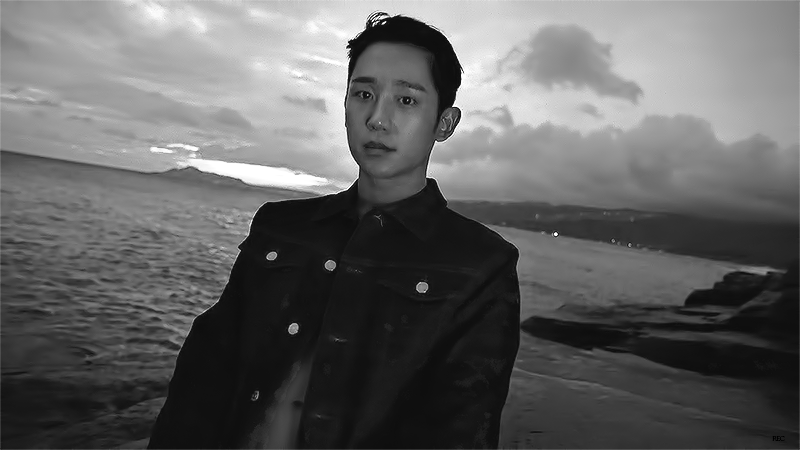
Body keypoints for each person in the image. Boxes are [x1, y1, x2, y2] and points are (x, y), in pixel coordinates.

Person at [147, 11, 521, 449]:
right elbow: (206, 371)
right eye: (363, 94)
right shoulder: (281, 226)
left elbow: (460, 429)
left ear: (445, 123)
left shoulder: (480, 266)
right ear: (344, 105)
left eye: (406, 100)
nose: (377, 118)